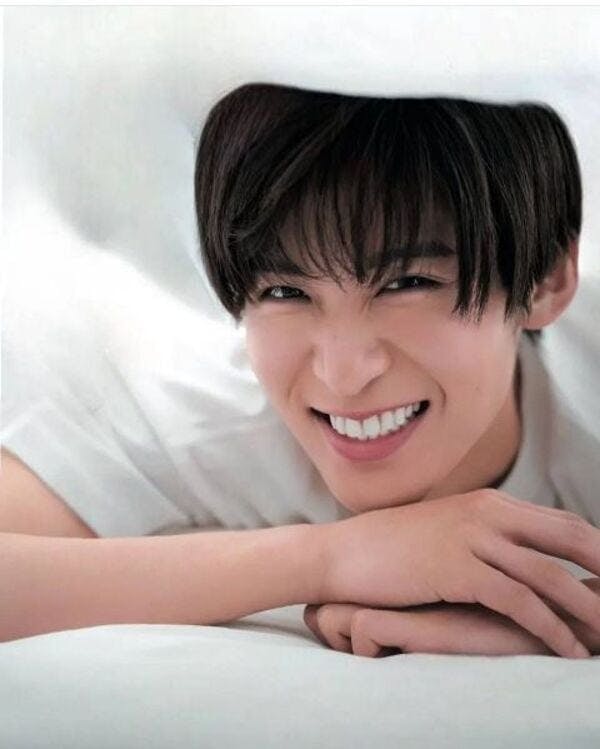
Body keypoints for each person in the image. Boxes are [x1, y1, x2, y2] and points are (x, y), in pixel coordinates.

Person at [1, 83, 599, 658]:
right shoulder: (213, 412)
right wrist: (329, 559)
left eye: (407, 283)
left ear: (546, 279)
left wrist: (566, 618)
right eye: (285, 292)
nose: (342, 375)